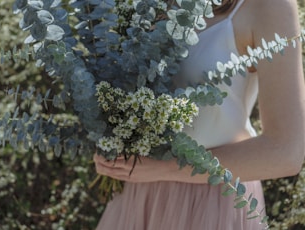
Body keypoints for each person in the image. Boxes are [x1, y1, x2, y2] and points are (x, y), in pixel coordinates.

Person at [93, 0, 305, 229]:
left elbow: (285, 153)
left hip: (213, 203)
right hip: (136, 193)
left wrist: (162, 168)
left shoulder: (269, 6)